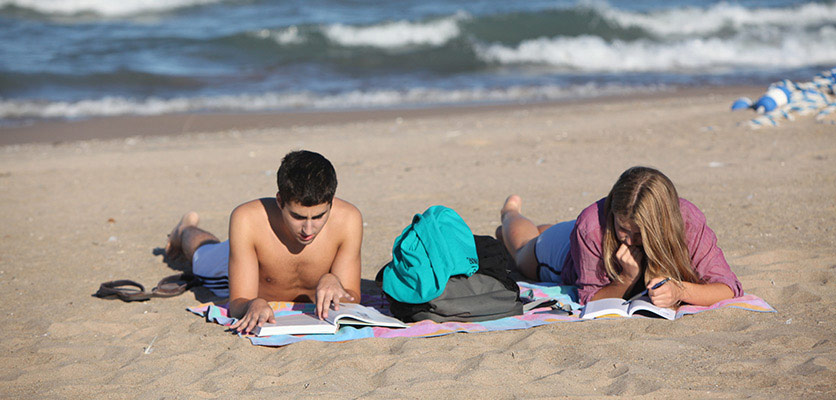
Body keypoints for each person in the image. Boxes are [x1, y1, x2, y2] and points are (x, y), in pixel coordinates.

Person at [164, 150, 362, 333]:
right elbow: (237, 302)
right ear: (279, 201)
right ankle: (184, 230)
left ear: (331, 203)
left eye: (318, 216)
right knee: (203, 253)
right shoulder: (247, 219)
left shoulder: (348, 220)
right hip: (241, 262)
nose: (308, 230)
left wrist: (336, 283)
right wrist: (251, 303)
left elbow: (352, 298)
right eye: (298, 217)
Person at [498, 166, 742, 308]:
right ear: (612, 211)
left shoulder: (687, 220)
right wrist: (625, 279)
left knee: (559, 230)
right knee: (521, 252)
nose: (628, 240)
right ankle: (510, 213)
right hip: (565, 255)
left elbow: (729, 288)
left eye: (639, 234)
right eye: (623, 229)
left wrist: (680, 291)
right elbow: (589, 299)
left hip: (581, 233)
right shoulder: (592, 227)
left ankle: (545, 229)